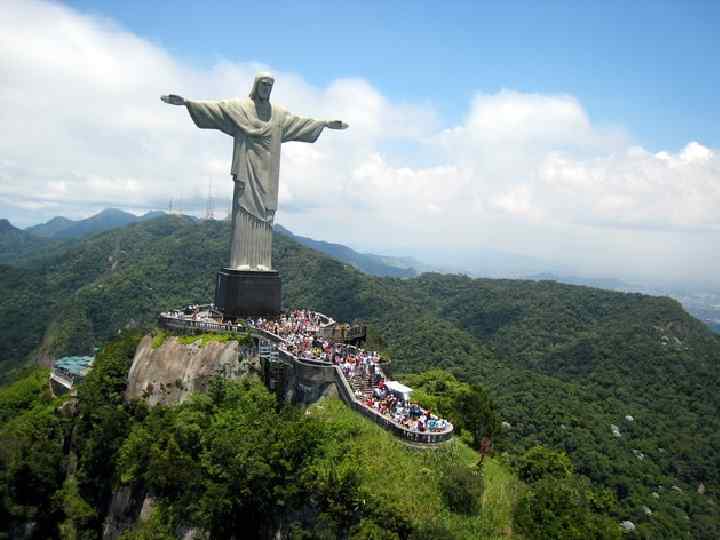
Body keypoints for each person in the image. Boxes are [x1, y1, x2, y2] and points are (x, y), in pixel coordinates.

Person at [161, 72, 347, 270]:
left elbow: (300, 123)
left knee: (265, 215)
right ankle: (240, 261)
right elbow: (215, 109)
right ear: (256, 85)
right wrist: (187, 103)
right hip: (246, 168)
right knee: (244, 212)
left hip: (268, 172)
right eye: (264, 84)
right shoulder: (239, 108)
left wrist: (324, 124)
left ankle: (261, 262)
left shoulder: (278, 114)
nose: (266, 89)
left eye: (270, 86)